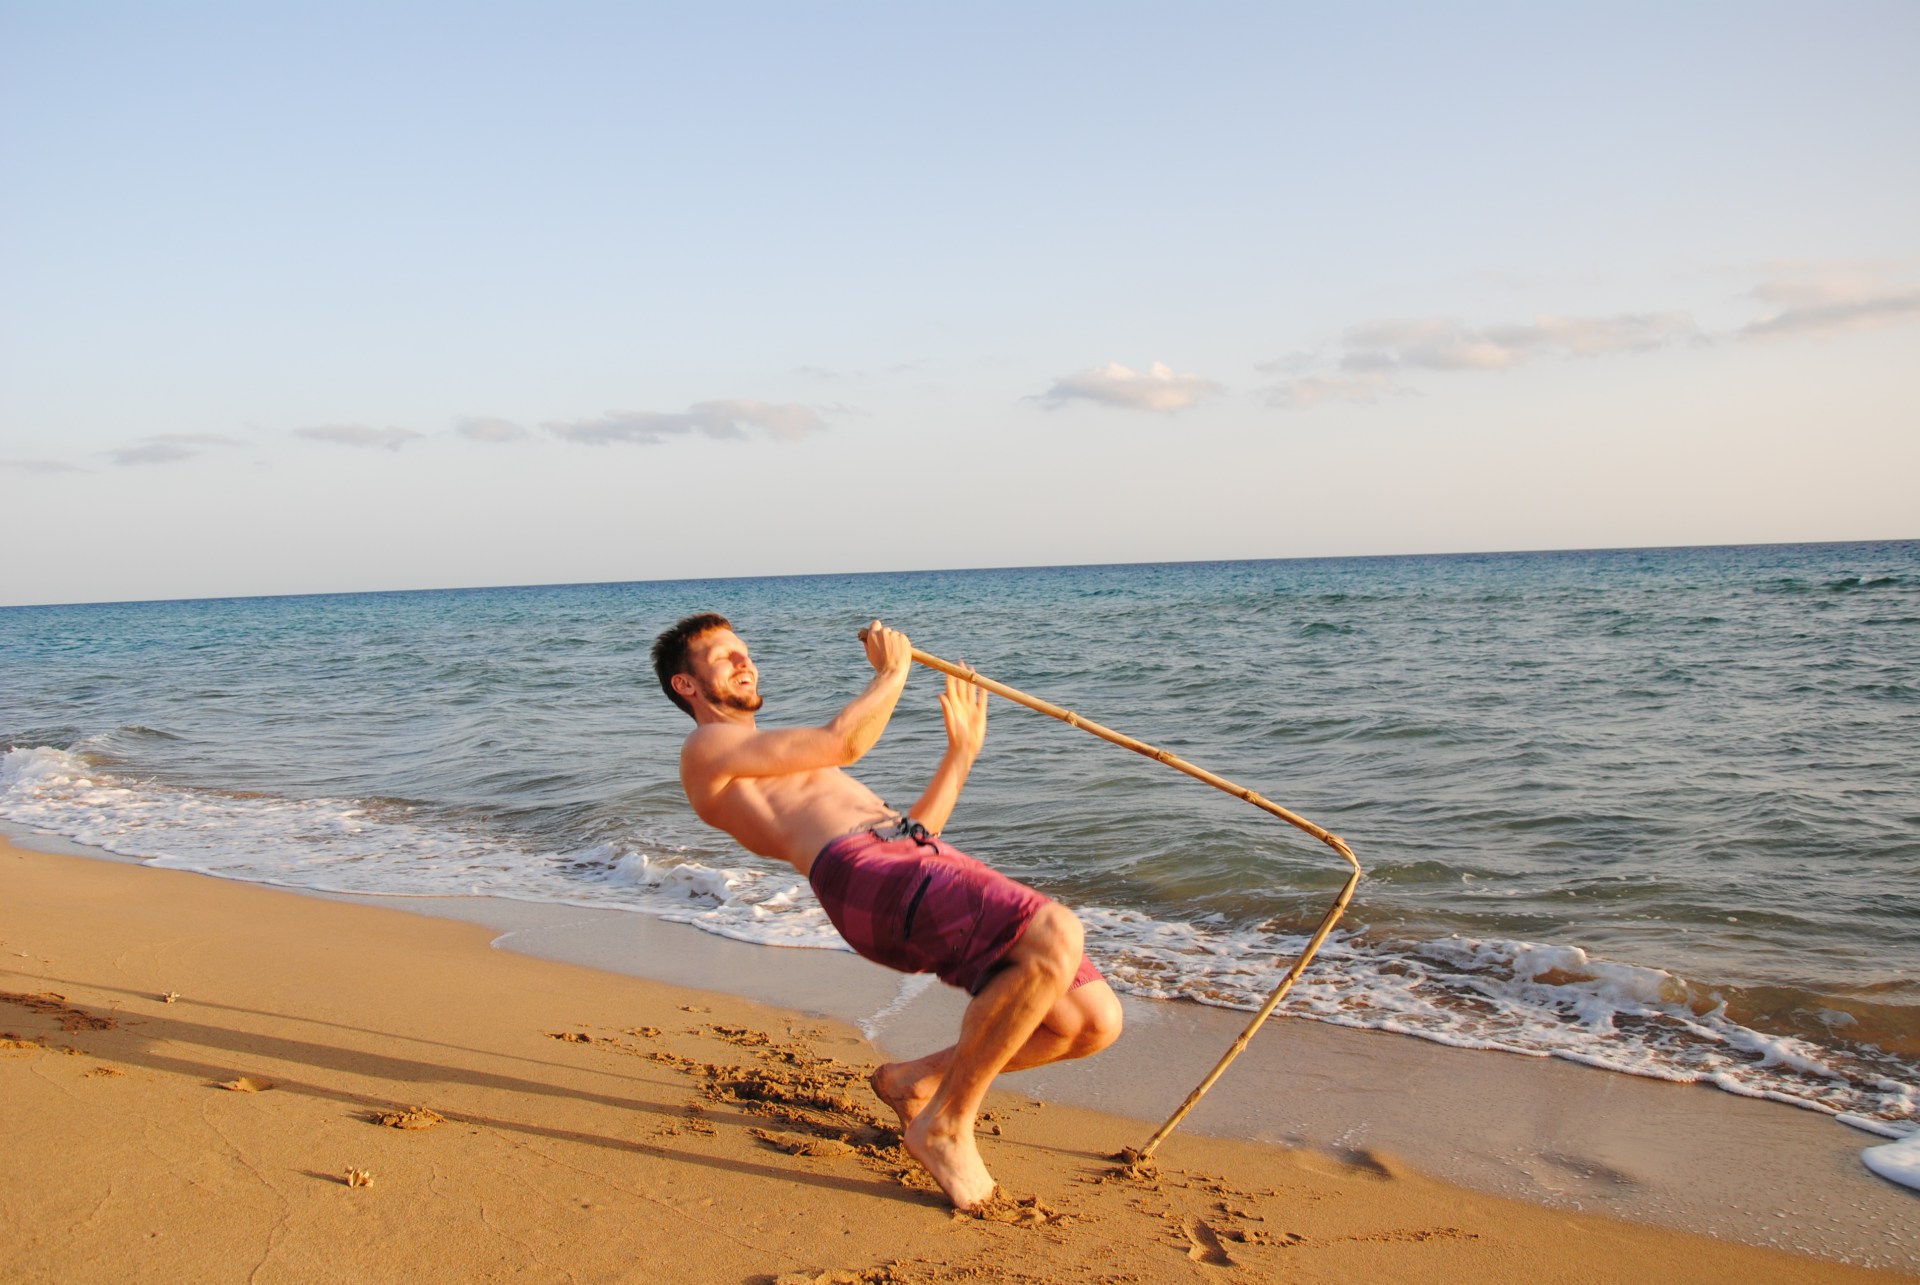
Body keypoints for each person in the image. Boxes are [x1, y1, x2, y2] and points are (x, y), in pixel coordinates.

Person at [650, 612, 1123, 1211]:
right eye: (724, 656)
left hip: (908, 859)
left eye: (745, 651)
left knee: (1089, 1021)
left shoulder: (770, 756)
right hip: (859, 874)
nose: (745, 661)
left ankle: (915, 1080)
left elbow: (917, 836)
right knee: (1055, 931)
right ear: (685, 686)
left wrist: (960, 755)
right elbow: (847, 739)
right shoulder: (707, 748)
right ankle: (947, 1124)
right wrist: (893, 671)